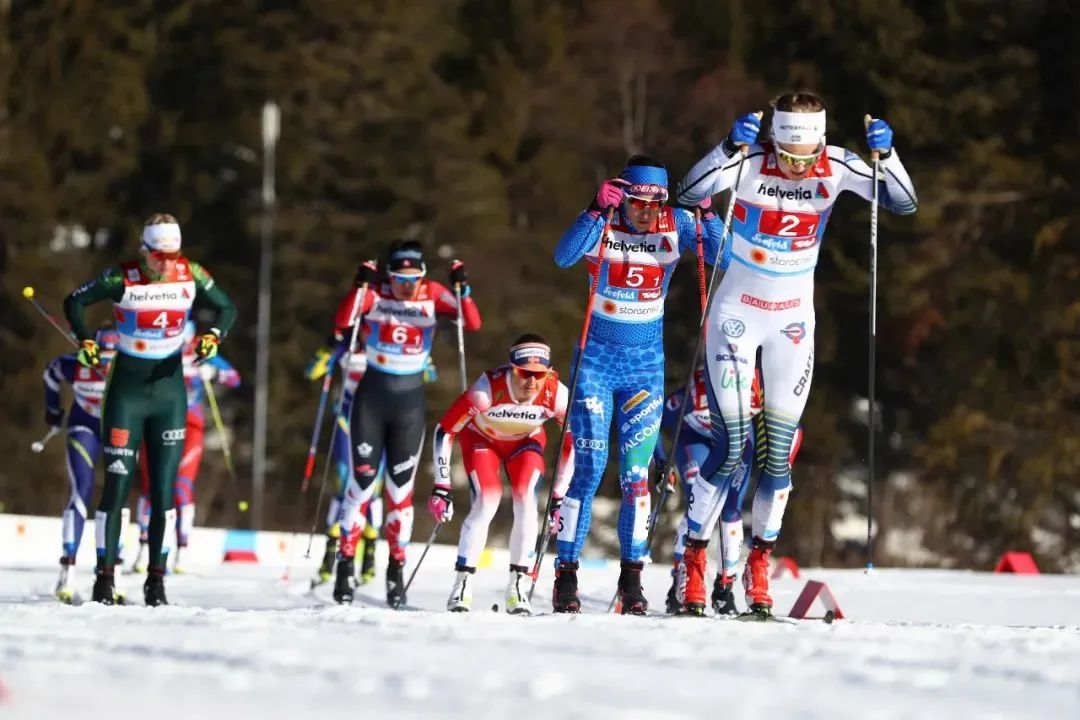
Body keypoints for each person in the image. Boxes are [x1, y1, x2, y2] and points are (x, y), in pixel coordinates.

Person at [676, 90, 916, 616]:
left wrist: (888, 155)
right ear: (773, 140)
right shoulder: (751, 162)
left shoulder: (837, 166)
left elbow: (903, 202)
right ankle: (693, 560)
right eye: (787, 155)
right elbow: (688, 191)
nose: (795, 168)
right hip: (737, 314)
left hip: (791, 321)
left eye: (805, 158)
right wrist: (725, 149)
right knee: (731, 442)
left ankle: (759, 562)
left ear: (821, 145)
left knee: (777, 456)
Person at [552, 154, 723, 614]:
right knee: (588, 472)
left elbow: (720, 251)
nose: (645, 212)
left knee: (635, 479)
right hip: (596, 365)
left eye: (655, 202)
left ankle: (632, 580)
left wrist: (707, 212)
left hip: (645, 369)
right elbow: (564, 256)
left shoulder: (674, 223)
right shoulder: (604, 222)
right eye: (637, 202)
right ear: (622, 195)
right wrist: (592, 208)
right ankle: (565, 575)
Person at [64, 213, 236, 606]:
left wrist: (213, 336)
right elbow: (75, 301)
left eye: (173, 254)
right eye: (159, 255)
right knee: (118, 487)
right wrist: (85, 341)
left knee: (163, 492)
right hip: (127, 390)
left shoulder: (191, 272)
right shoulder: (122, 276)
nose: (167, 263)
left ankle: (156, 581)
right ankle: (104, 578)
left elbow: (227, 309)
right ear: (145, 251)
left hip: (169, 393)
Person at [325, 240, 481, 606]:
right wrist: (358, 285)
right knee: (361, 485)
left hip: (409, 404)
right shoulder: (374, 294)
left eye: (413, 280)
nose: (406, 289)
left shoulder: (433, 294)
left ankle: (395, 572)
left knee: (399, 493)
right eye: (399, 280)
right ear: (387, 276)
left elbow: (471, 322)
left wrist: (464, 289)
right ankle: (345, 567)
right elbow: (342, 321)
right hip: (371, 398)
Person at [429, 335, 573, 615]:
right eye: (524, 374)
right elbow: (445, 430)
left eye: (539, 375)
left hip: (525, 444)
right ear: (512, 369)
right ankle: (462, 585)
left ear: (550, 372)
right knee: (487, 500)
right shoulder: (486, 390)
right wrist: (441, 486)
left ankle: (517, 586)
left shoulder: (557, 394)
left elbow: (571, 446)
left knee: (526, 501)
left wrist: (558, 496)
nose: (531, 383)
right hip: (483, 441)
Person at [655, 365, 802, 615]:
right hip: (695, 441)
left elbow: (793, 427)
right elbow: (654, 420)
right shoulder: (688, 397)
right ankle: (682, 579)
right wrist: (661, 462)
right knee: (699, 500)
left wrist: (783, 466)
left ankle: (724, 587)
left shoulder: (756, 389)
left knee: (731, 508)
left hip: (739, 441)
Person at [132, 321, 240, 573]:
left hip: (191, 426)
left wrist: (214, 374)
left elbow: (235, 378)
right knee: (151, 487)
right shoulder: (156, 349)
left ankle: (181, 551)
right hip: (156, 423)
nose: (181, 346)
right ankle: (142, 550)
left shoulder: (200, 350)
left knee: (181, 488)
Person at [43, 327, 124, 603]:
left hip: (119, 429)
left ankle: (115, 572)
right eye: (102, 356)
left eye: (113, 357)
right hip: (84, 426)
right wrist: (52, 411)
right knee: (82, 490)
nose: (106, 363)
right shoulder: (76, 364)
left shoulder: (127, 366)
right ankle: (68, 570)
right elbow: (51, 371)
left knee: (117, 496)